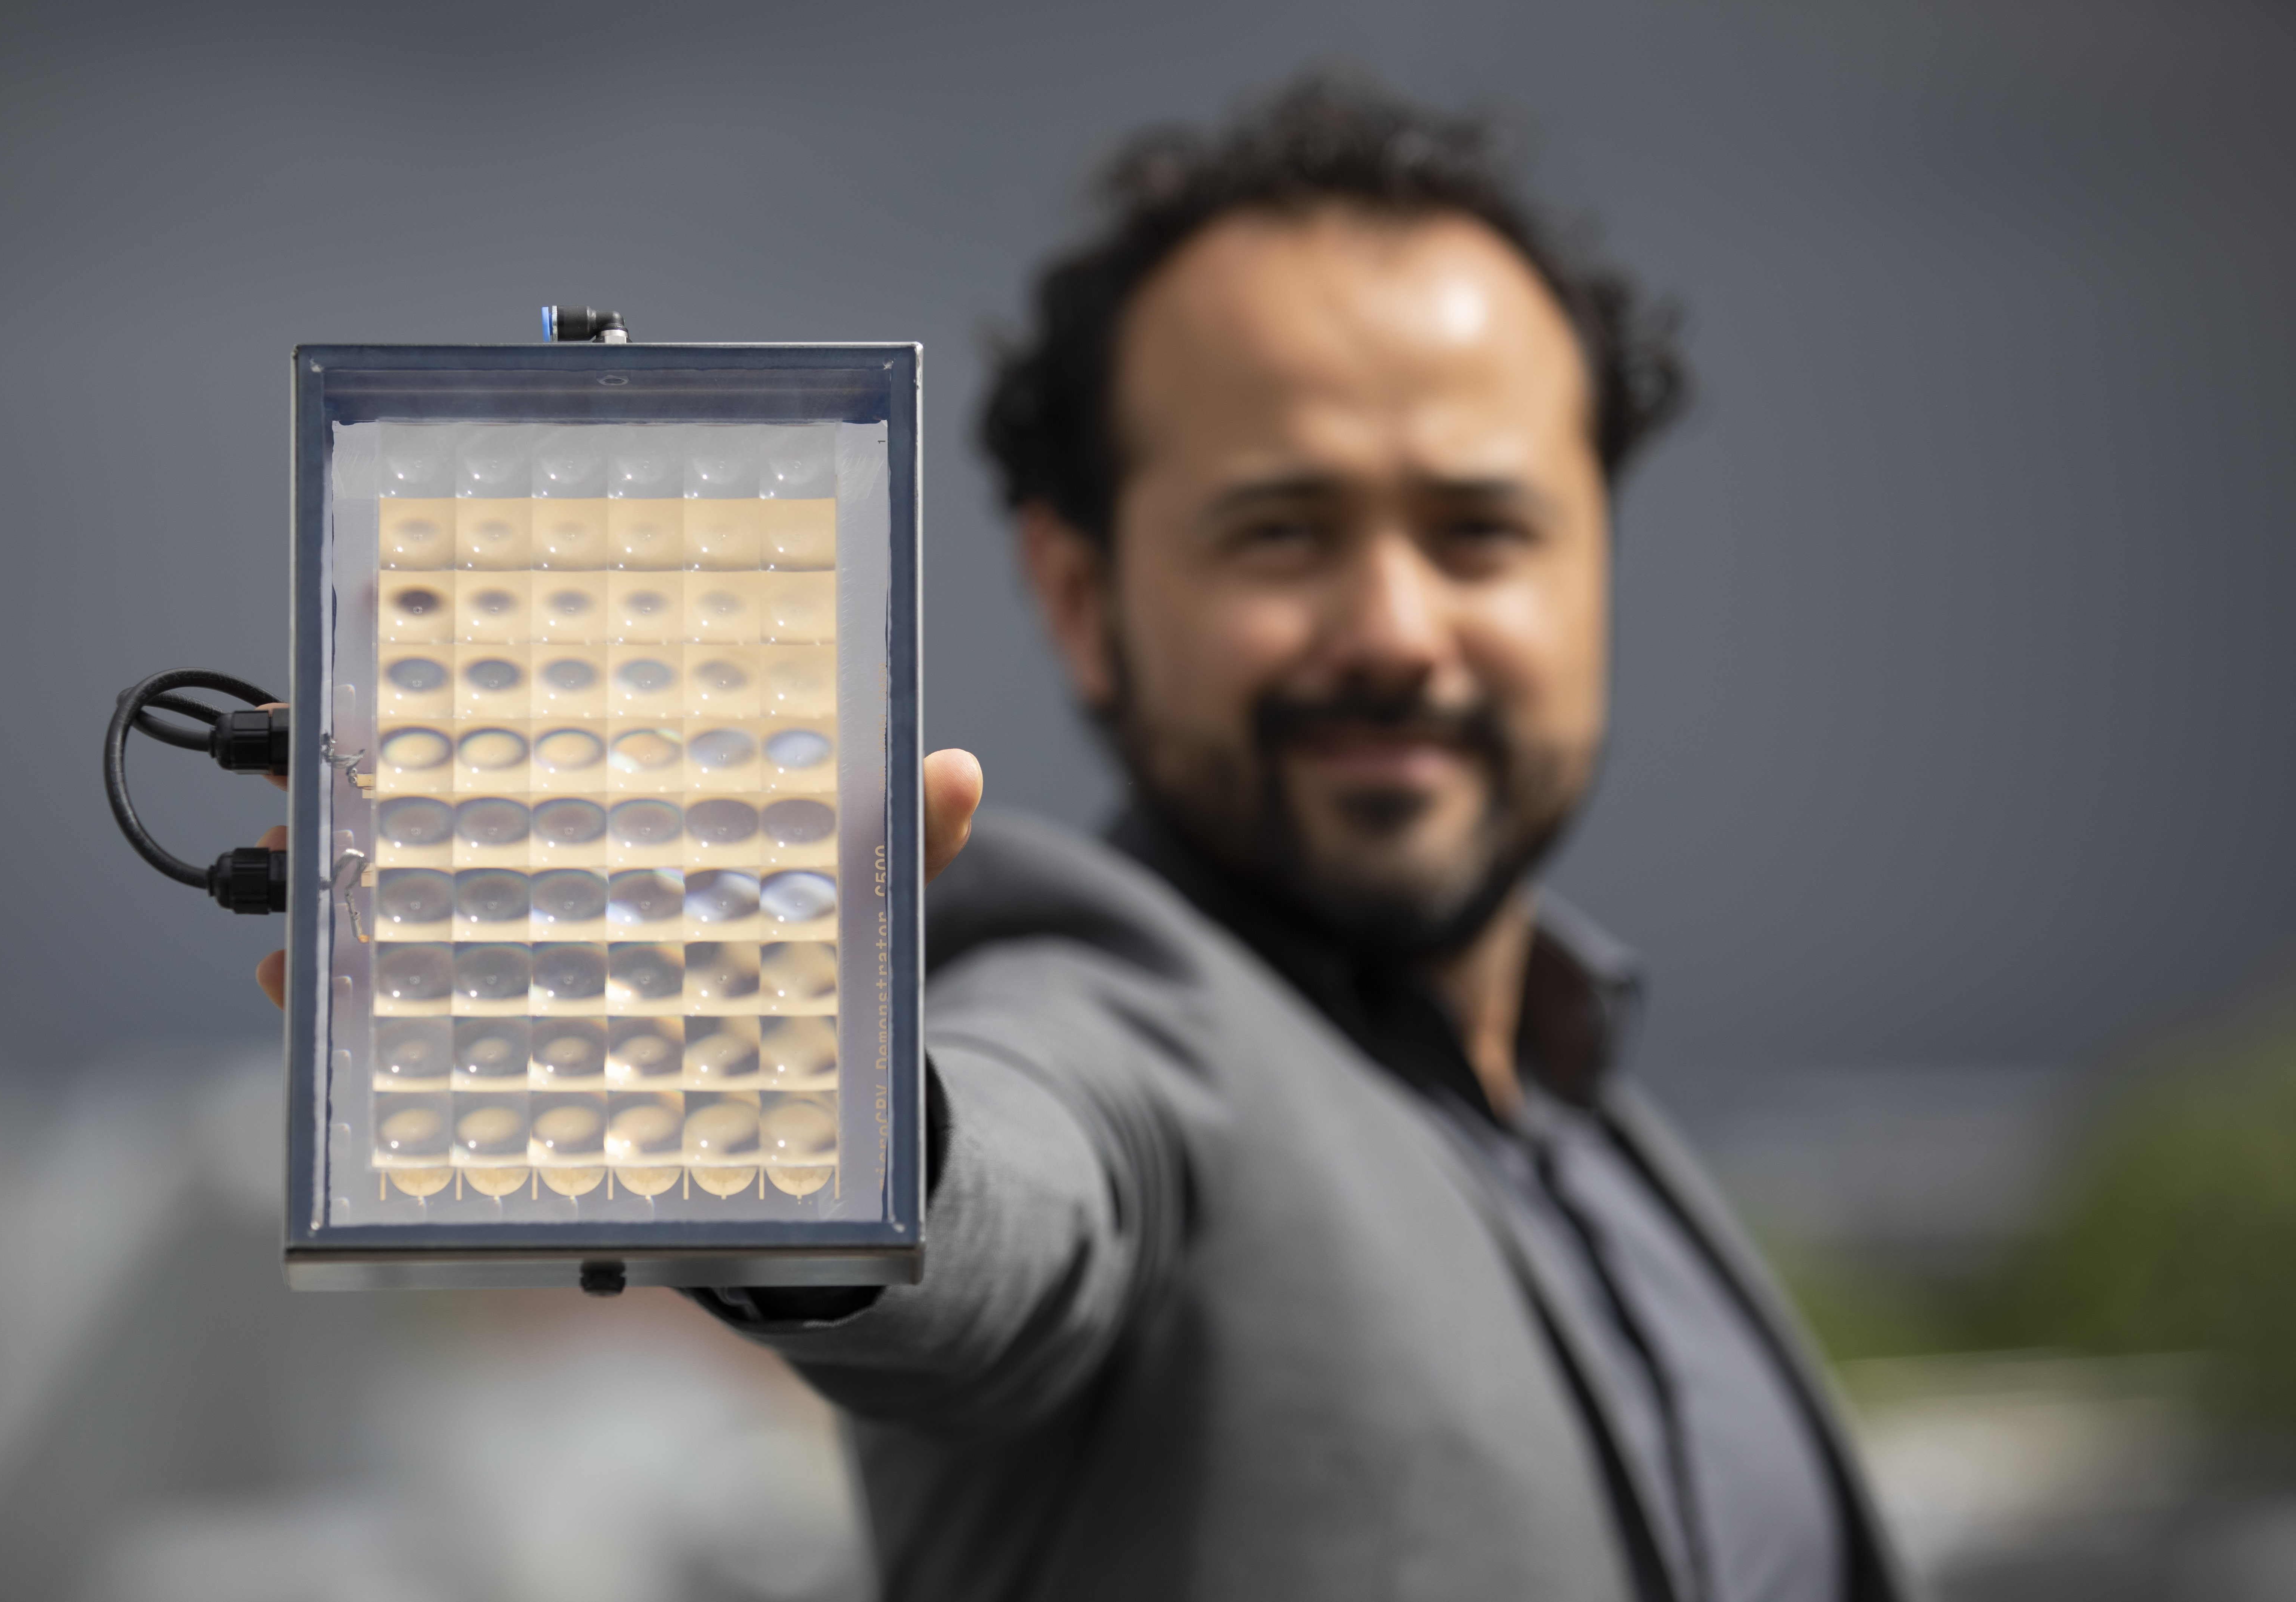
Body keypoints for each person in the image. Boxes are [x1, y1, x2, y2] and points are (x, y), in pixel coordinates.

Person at [260, 77, 1911, 1602]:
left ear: (1596, 559)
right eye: (1284, 531)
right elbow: (1019, 1192)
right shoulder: (1109, 1010)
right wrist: (780, 1093)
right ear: (1077, 592)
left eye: (1481, 530)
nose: (1399, 629)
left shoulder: (1591, 1118)